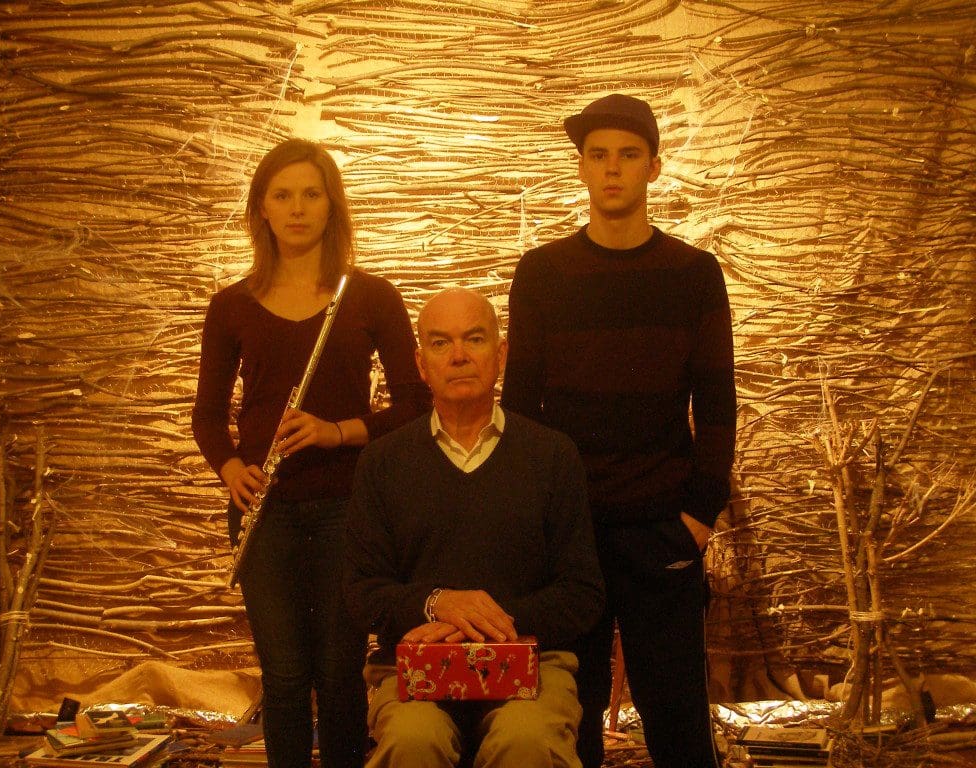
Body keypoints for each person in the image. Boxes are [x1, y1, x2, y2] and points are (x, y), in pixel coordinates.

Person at [501, 94, 737, 768]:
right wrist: (535, 518)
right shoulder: (542, 273)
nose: (612, 169)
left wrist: (700, 514)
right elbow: (519, 408)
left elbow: (716, 402)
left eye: (628, 156)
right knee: (567, 718)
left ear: (653, 168)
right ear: (580, 167)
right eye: (598, 155)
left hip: (663, 525)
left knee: (677, 718)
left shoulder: (694, 274)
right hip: (569, 531)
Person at [192, 138, 431, 768]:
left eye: (311, 194)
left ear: (332, 205)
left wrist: (337, 432)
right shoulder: (231, 305)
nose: (297, 208)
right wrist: (231, 469)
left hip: (349, 507)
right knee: (286, 675)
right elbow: (208, 416)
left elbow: (414, 404)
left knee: (339, 671)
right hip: (265, 509)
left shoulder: (371, 295)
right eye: (282, 195)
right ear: (261, 209)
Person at [343, 288, 605, 768]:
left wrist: (485, 623)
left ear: (500, 355)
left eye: (475, 339)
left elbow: (582, 593)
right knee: (412, 739)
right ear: (421, 364)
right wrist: (436, 603)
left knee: (526, 740)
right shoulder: (382, 462)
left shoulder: (551, 455)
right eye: (441, 343)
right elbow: (362, 593)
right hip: (416, 671)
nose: (459, 355)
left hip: (532, 664)